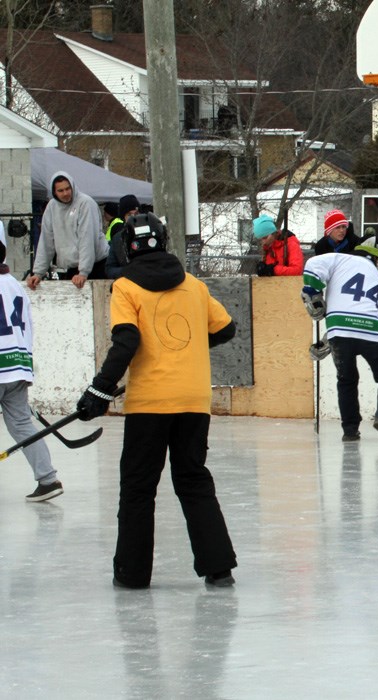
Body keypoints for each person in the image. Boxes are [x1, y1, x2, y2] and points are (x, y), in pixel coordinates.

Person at [76, 212, 238, 589]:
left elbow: (127, 342)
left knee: (137, 487)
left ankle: (132, 574)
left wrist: (99, 389)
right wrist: (192, 347)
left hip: (150, 402)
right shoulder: (194, 286)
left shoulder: (126, 287)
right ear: (163, 242)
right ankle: (219, 568)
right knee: (194, 480)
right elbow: (226, 328)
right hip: (193, 400)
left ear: (126, 248)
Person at [302, 240, 378, 444]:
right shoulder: (377, 277)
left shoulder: (339, 258)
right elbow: (364, 309)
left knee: (346, 380)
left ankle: (350, 431)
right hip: (372, 330)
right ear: (375, 258)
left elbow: (313, 266)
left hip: (339, 330)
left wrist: (313, 293)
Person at [0, 231, 63, 502]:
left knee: (22, 424)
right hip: (16, 366)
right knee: (22, 424)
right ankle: (48, 479)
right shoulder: (14, 285)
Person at [26, 171, 109, 290]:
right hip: (72, 268)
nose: (65, 193)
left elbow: (87, 238)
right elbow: (46, 241)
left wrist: (83, 272)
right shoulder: (51, 207)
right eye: (60, 191)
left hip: (97, 265)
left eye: (67, 189)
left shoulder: (86, 203)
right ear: (54, 192)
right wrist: (38, 273)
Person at [105, 195, 141, 279]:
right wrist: (127, 271)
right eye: (129, 215)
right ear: (123, 217)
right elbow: (109, 269)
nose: (134, 218)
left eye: (136, 213)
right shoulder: (118, 239)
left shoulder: (150, 233)